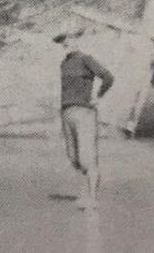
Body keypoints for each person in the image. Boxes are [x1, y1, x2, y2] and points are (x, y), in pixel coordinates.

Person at [56, 30, 113, 210]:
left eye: (67, 40)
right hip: (67, 112)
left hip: (84, 113)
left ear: (75, 41)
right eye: (62, 41)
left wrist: (98, 96)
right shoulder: (64, 63)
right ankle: (84, 194)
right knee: (74, 158)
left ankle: (92, 198)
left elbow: (108, 77)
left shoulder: (86, 59)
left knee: (87, 157)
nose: (65, 43)